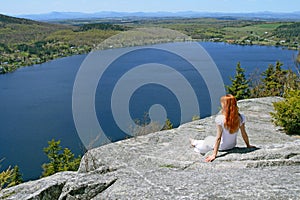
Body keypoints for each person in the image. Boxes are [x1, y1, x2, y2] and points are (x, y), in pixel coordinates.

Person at [190, 94, 255, 162]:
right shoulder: (241, 117)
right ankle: (195, 141)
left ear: (225, 105)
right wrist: (248, 145)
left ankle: (194, 142)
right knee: (209, 139)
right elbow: (244, 133)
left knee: (205, 144)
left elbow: (218, 138)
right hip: (232, 145)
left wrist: (214, 155)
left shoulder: (220, 119)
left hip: (222, 146)